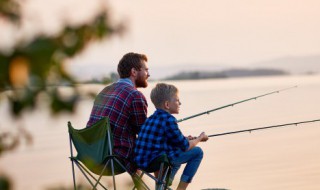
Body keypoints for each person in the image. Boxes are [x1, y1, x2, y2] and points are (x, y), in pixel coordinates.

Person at [134, 83, 208, 190]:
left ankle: (165, 184)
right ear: (167, 105)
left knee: (176, 148)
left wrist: (186, 138)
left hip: (141, 162)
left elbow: (164, 139)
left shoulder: (150, 119)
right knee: (197, 152)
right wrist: (200, 138)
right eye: (177, 100)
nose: (180, 103)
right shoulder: (169, 120)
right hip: (156, 162)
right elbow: (186, 146)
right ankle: (180, 188)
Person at [86, 52, 150, 174]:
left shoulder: (105, 90)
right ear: (134, 72)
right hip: (114, 160)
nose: (148, 74)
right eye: (146, 70)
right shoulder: (135, 95)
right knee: (160, 150)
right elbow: (144, 134)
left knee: (133, 144)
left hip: (91, 156)